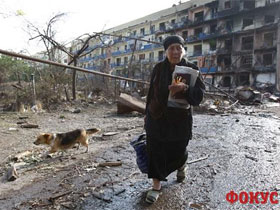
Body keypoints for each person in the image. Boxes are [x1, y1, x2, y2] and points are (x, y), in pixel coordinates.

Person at [144, 35, 205, 204]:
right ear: (166, 51)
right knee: (154, 150)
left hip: (179, 121)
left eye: (179, 48)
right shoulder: (158, 69)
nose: (175, 51)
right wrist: (146, 114)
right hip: (156, 117)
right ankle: (156, 185)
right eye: (171, 48)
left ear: (183, 51)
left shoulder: (192, 69)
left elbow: (199, 97)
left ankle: (181, 163)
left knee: (178, 150)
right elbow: (151, 93)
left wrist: (185, 88)